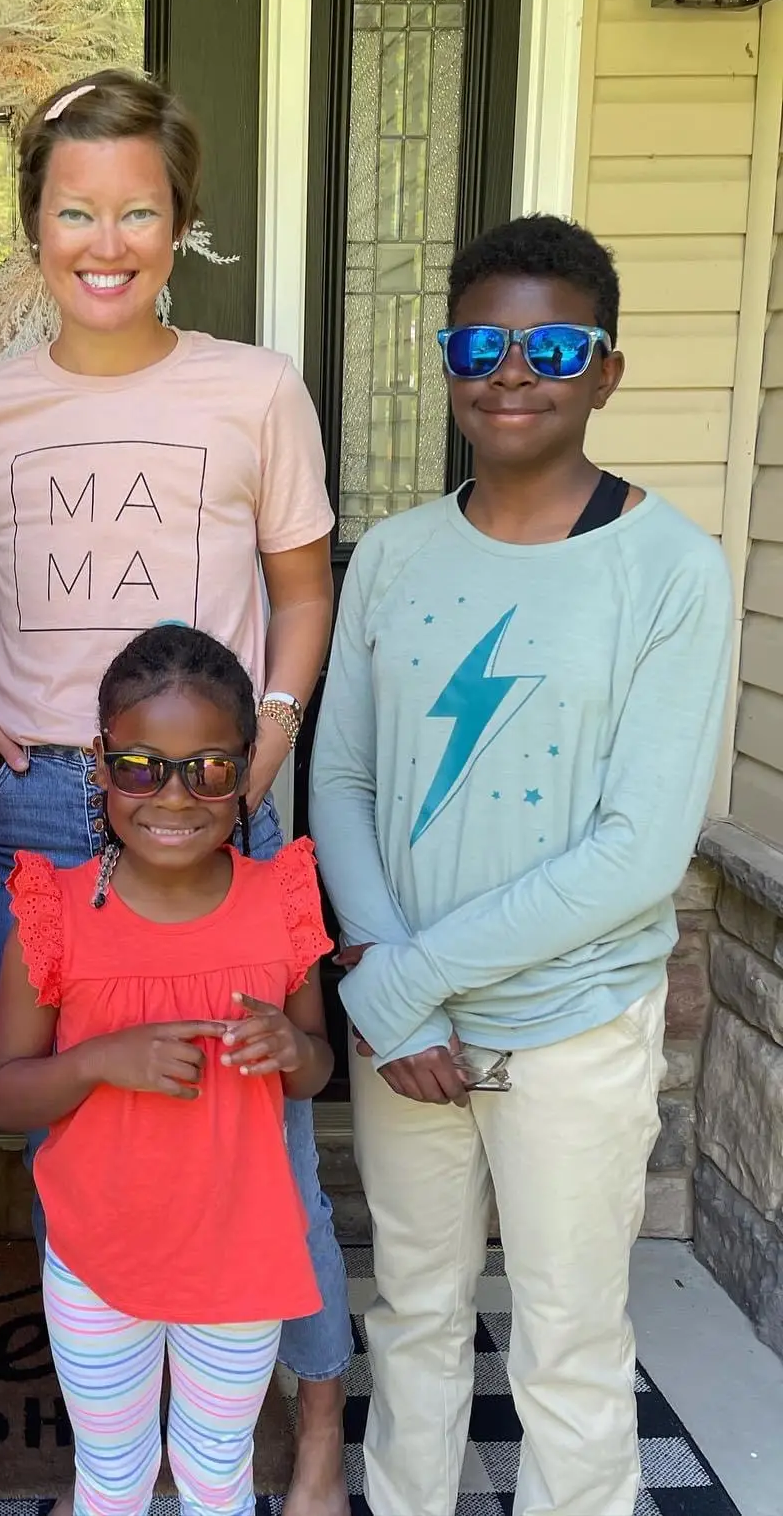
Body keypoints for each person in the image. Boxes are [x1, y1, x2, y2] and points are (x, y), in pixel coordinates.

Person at [0, 69, 351, 1514]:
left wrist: (271, 731)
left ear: (181, 222)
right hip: (37, 807)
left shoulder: (253, 388)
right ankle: (98, 1387)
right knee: (49, 1103)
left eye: (137, 209)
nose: (107, 239)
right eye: (75, 209)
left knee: (265, 1118)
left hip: (214, 794)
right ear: (34, 225)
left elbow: (300, 582)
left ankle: (309, 1422)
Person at [309, 215, 733, 1516]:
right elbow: (345, 781)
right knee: (417, 1314)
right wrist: (397, 986)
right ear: (446, 362)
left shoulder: (672, 570)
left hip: (571, 1027)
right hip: (412, 1032)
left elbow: (638, 851)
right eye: (478, 342)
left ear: (607, 369)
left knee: (568, 1340)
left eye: (552, 344)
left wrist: (396, 983)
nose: (510, 370)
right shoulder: (391, 555)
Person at [0, 624, 335, 1516]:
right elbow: (4, 1089)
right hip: (99, 1259)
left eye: (210, 769)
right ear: (100, 763)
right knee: (111, 1476)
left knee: (219, 1473)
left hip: (239, 1258)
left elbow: (315, 1072)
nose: (174, 796)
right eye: (141, 765)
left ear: (248, 768)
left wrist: (292, 1051)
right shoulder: (53, 911)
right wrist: (102, 1059)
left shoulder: (282, 900)